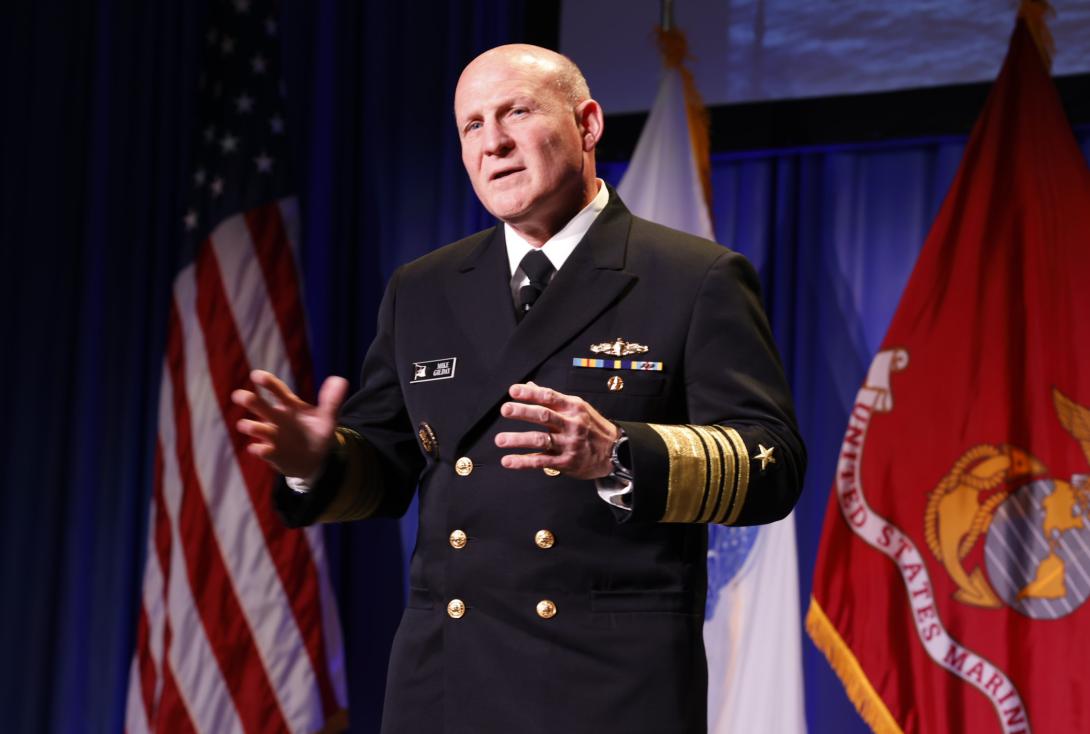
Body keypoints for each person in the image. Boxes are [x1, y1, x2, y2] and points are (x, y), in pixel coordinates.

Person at [233, 44, 804, 734]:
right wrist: (317, 464)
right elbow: (384, 470)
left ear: (588, 124)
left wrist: (620, 454)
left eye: (516, 112)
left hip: (609, 684)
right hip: (445, 680)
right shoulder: (424, 289)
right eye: (472, 125)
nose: (493, 142)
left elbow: (772, 462)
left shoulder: (694, 277)